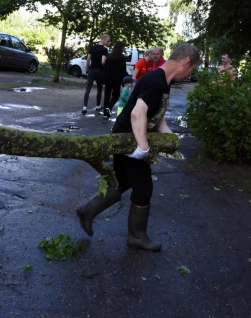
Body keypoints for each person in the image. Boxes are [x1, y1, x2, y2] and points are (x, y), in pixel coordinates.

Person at [76, 43, 200, 251]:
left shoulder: (163, 82)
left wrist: (172, 139)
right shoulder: (156, 82)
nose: (190, 74)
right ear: (186, 63)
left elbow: (156, 119)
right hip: (128, 140)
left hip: (128, 137)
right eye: (192, 69)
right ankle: (136, 237)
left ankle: (87, 211)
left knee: (123, 181)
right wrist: (143, 148)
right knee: (143, 188)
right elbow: (137, 114)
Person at [82, 34, 110, 114]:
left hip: (92, 70)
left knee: (88, 89)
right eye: (108, 41)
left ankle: (84, 107)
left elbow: (88, 59)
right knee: (99, 89)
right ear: (104, 40)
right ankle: (98, 105)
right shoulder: (104, 50)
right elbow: (103, 61)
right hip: (99, 72)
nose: (108, 43)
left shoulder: (93, 48)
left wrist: (87, 68)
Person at [102, 40, 128, 118]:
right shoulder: (122, 57)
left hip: (108, 79)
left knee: (107, 95)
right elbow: (123, 70)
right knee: (116, 95)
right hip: (117, 79)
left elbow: (105, 69)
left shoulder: (109, 56)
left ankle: (105, 112)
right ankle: (109, 108)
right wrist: (124, 82)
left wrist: (103, 79)